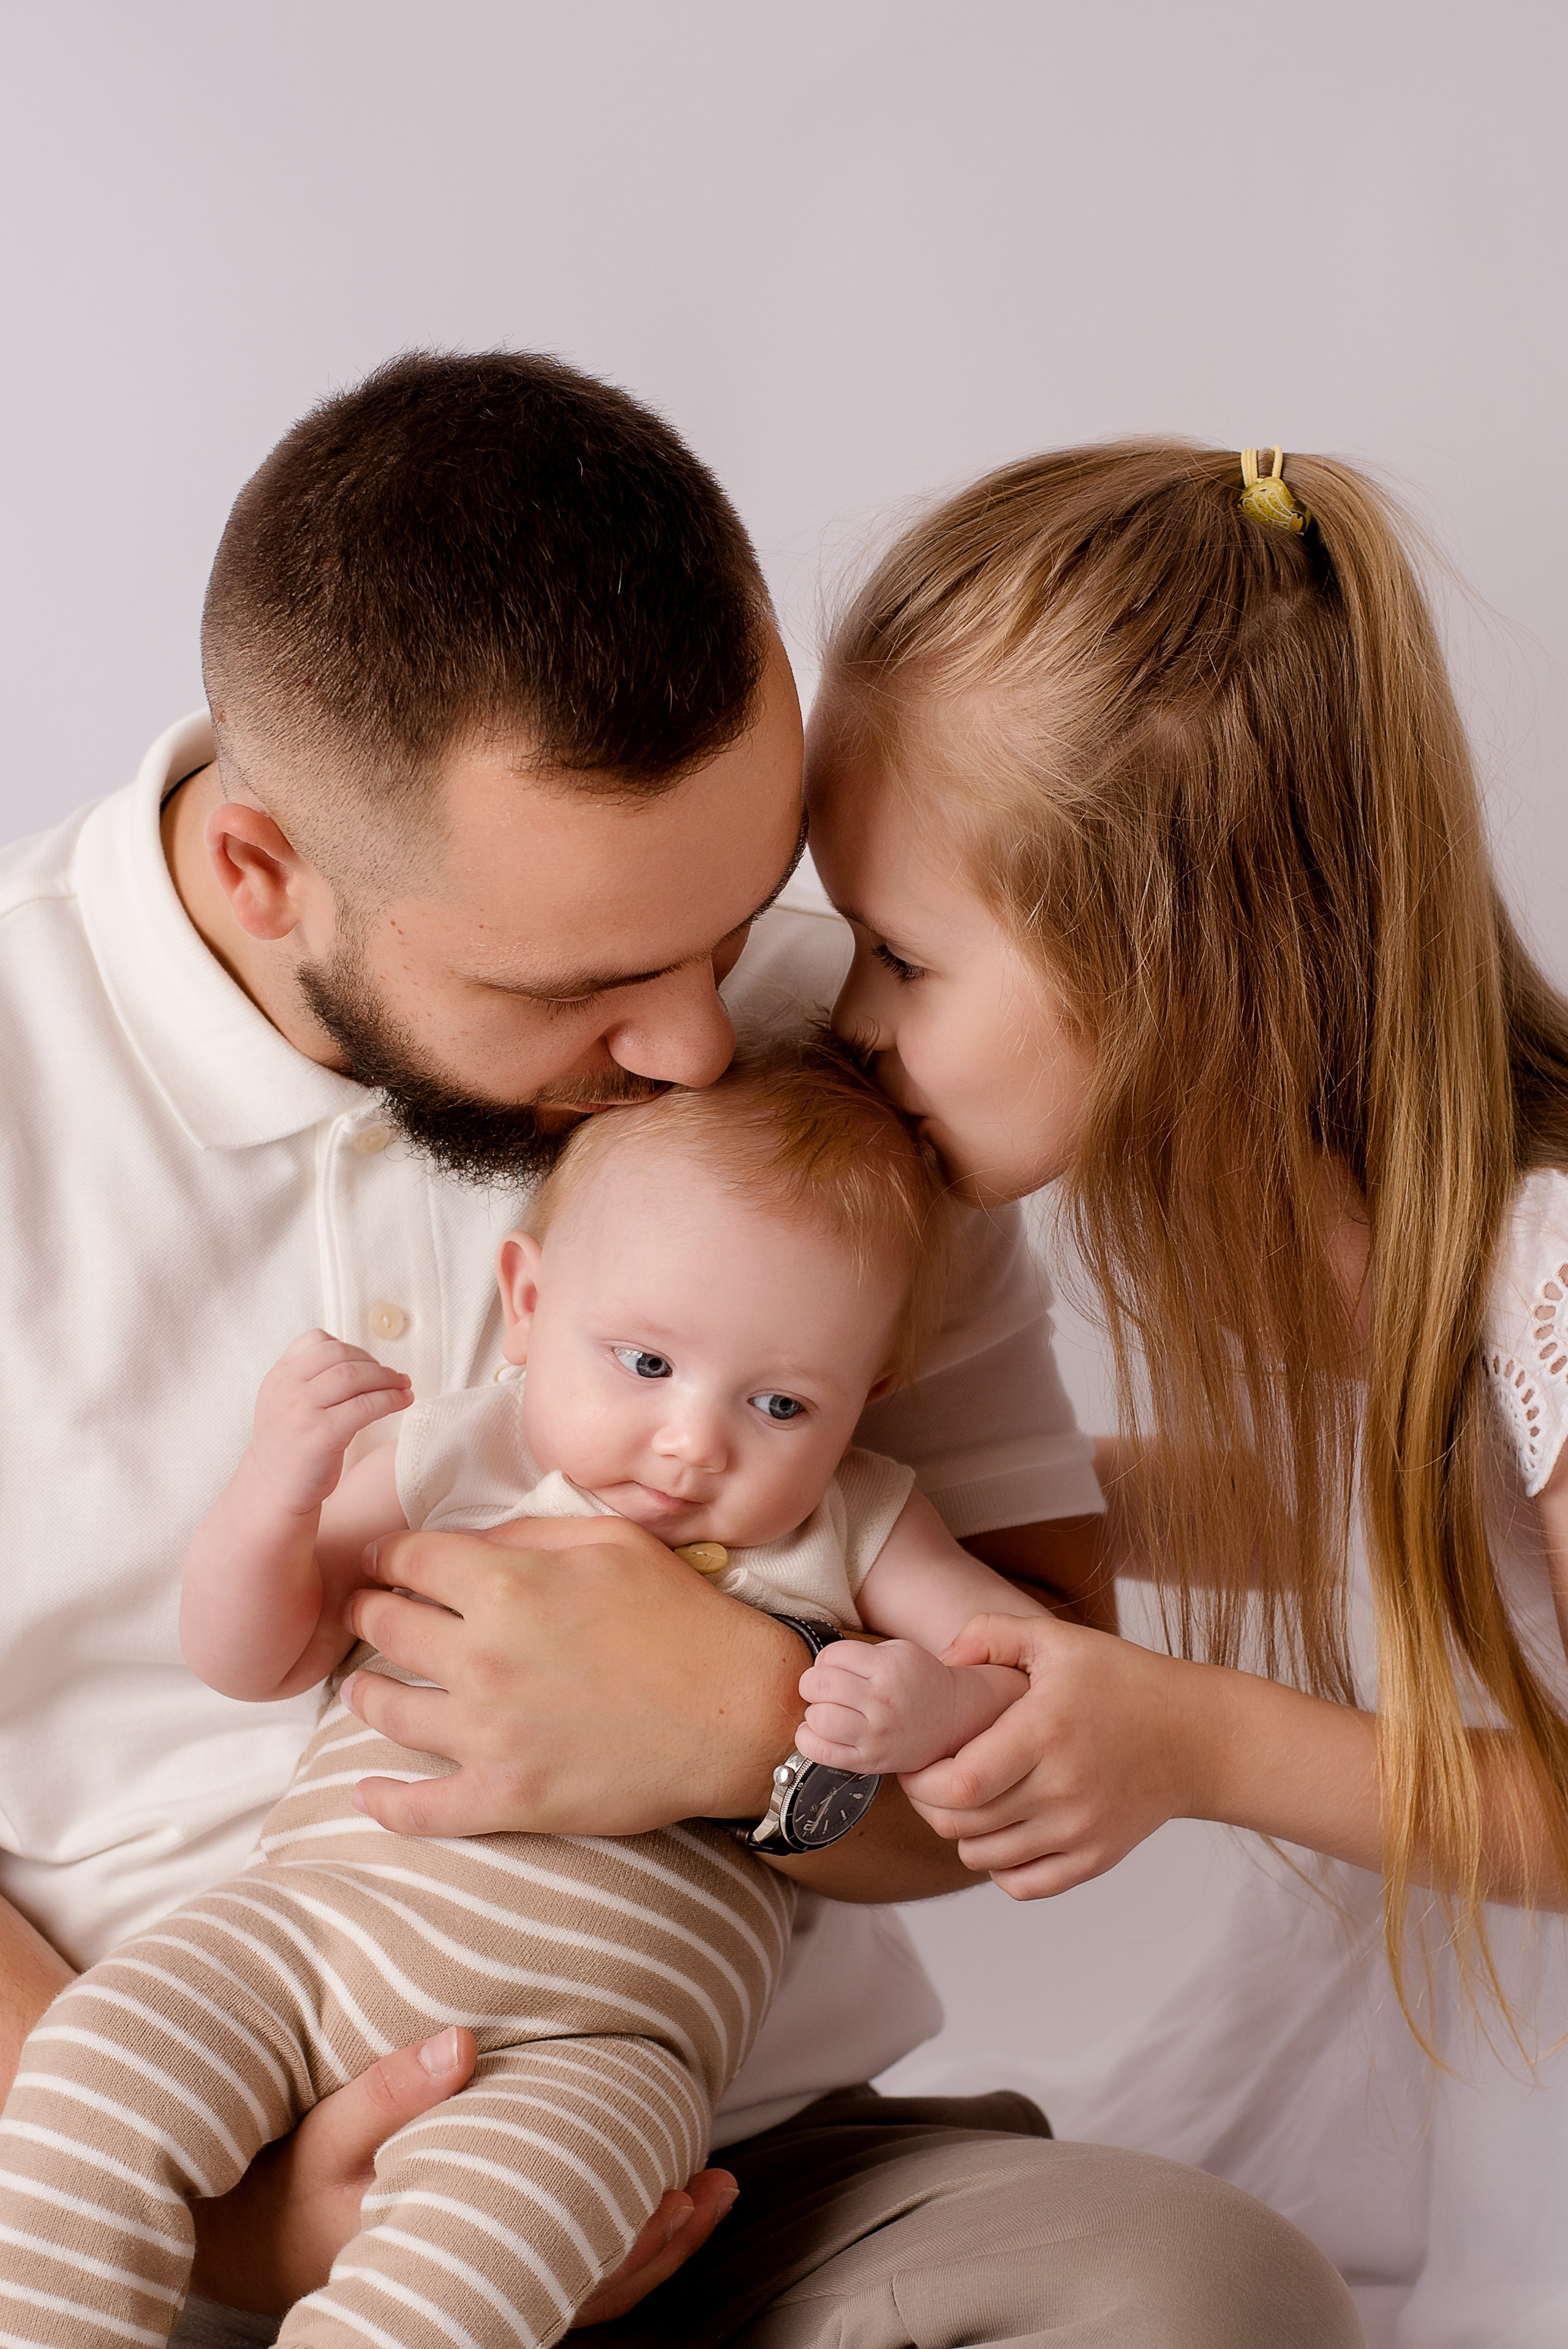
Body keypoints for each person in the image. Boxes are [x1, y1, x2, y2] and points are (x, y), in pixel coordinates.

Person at [0, 353, 1357, 2348]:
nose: (705, 1050)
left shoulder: (826, 1084)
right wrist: (239, 2229)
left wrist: (755, 1728)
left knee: (1202, 2294)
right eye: (587, 987)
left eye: (731, 929)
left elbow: (1017, 1713)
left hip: (725, 2153)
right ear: (261, 871)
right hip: (135, 2155)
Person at [796, 436, 1568, 2343]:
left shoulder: (1548, 1261)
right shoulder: (1345, 1222)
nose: (848, 1021)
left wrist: (1203, 1742)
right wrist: (952, 1521)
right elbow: (1414, 1510)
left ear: (1175, 959)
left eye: (903, 958)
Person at [0, 1042, 1067, 2348]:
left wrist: (924, 1705)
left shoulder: (855, 1528)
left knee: (474, 2269)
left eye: (781, 1402)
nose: (691, 1442)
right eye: (643, 1363)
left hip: (598, 2046)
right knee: (98, 2071)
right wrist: (274, 1493)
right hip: (311, 1937)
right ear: (527, 1299)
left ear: (867, 1403)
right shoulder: (465, 1453)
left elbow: (1034, 1678)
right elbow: (249, 1656)